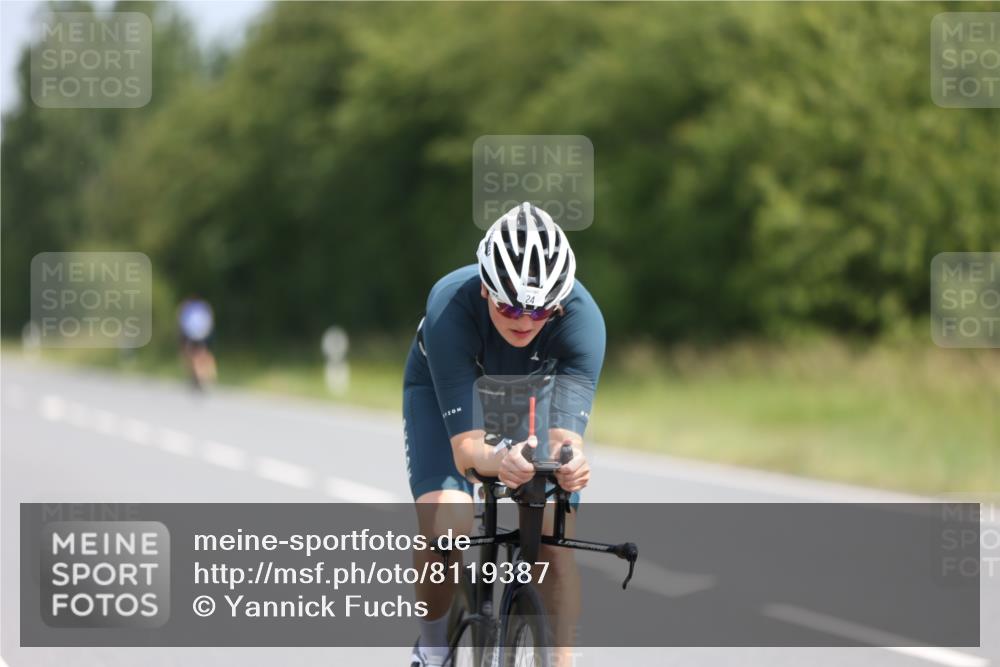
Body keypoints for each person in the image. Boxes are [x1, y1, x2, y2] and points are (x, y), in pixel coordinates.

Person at [403, 203, 606, 666]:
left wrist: (571, 463)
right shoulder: (449, 305)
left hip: (529, 395)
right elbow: (467, 451)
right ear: (484, 289)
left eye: (541, 312)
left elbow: (564, 437)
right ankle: (432, 648)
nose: (524, 321)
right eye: (509, 305)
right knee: (447, 525)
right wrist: (500, 460)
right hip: (443, 394)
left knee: (555, 541)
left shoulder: (583, 320)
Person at [177, 296, 217, 390]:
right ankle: (207, 376)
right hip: (204, 333)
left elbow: (182, 323)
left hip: (192, 334)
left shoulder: (187, 308)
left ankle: (199, 377)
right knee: (203, 354)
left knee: (191, 355)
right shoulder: (203, 307)